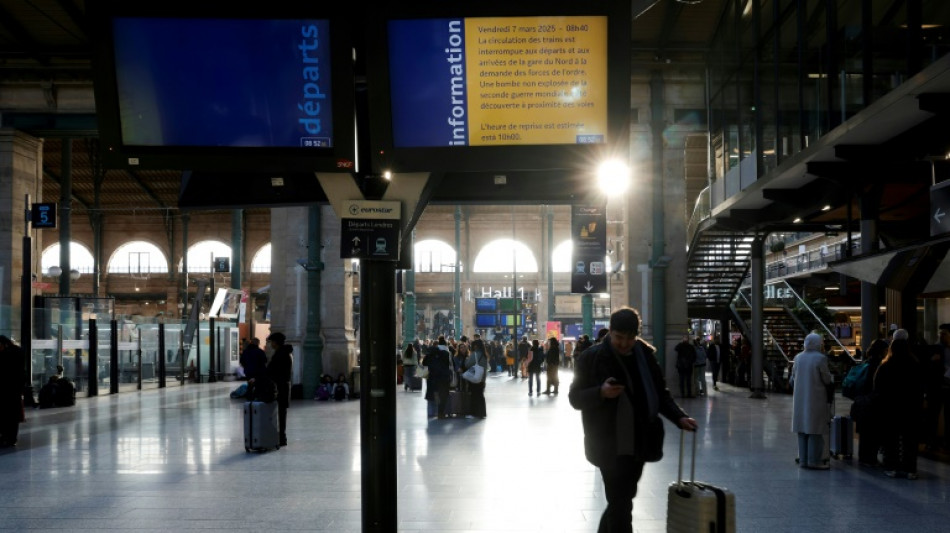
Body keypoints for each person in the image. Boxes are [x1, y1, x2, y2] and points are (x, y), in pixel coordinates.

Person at [569, 307, 697, 533]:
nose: (624, 343)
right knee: (621, 504)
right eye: (619, 337)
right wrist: (601, 392)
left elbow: (660, 393)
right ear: (610, 331)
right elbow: (575, 398)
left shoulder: (645, 356)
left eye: (630, 338)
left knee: (622, 500)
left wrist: (680, 417)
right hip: (608, 444)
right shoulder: (591, 358)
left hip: (640, 441)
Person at [874, 335, 924, 479]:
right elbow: (920, 386)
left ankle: (892, 467)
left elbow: (877, 387)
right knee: (910, 439)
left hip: (891, 408)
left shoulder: (885, 366)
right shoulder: (915, 364)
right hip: (910, 407)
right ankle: (910, 469)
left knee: (891, 438)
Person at [790, 333, 833, 470]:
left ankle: (803, 460)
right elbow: (826, 379)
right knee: (815, 431)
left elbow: (792, 378)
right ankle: (814, 461)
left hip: (800, 399)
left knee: (802, 431)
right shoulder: (820, 358)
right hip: (816, 398)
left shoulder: (798, 358)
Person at [852, 339, 888, 466]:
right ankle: (870, 458)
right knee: (873, 432)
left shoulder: (866, 363)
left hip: (862, 401)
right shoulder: (879, 365)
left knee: (865, 432)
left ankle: (864, 457)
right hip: (873, 402)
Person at [266, 332, 293, 447]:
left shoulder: (280, 355)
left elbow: (271, 370)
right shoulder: (285, 353)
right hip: (284, 386)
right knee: (282, 412)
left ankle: (281, 437)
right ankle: (282, 437)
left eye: (271, 341)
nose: (270, 344)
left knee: (280, 412)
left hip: (279, 386)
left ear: (276, 342)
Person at [0, 336, 25, 448]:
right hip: (14, 390)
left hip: (7, 390)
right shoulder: (18, 352)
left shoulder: (7, 355)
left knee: (6, 416)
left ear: (3, 344)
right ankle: (11, 438)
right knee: (12, 416)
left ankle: (6, 437)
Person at [423, 336, 452, 419]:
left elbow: (424, 365)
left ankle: (431, 413)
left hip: (431, 378)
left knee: (431, 396)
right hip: (443, 378)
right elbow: (449, 365)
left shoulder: (428, 356)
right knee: (443, 396)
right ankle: (440, 412)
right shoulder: (446, 354)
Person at [465, 335, 489, 418]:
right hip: (482, 378)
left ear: (475, 346)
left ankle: (474, 413)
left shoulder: (474, 354)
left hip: (475, 377)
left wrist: (467, 359)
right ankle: (482, 413)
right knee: (480, 396)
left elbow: (467, 364)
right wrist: (484, 379)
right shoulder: (484, 355)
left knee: (474, 396)